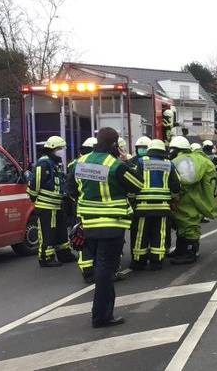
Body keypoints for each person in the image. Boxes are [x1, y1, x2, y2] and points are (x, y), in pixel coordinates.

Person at [67, 127, 144, 328]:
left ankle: (100, 313)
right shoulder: (116, 166)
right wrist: (126, 161)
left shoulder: (79, 163)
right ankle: (101, 315)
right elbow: (137, 185)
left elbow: (71, 190)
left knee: (98, 266)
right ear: (114, 145)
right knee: (105, 271)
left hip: (88, 225)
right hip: (111, 225)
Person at [129, 139, 181, 271]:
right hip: (162, 207)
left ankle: (139, 262)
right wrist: (174, 199)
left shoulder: (141, 162)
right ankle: (156, 261)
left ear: (149, 149)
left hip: (142, 207)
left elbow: (133, 182)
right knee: (160, 233)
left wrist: (132, 200)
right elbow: (176, 184)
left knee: (141, 234)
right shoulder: (168, 164)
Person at [169, 136, 217, 265]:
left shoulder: (185, 161)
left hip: (188, 198)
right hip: (191, 196)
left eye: (172, 149)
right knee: (183, 224)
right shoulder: (198, 159)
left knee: (188, 223)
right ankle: (181, 249)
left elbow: (188, 179)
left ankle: (191, 252)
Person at [28, 135, 76, 267]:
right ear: (53, 149)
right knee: (47, 232)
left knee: (60, 231)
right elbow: (35, 183)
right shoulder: (43, 163)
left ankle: (64, 254)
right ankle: (45, 257)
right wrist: (33, 197)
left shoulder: (54, 163)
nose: (62, 151)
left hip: (57, 204)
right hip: (46, 206)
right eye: (60, 148)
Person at [69, 137, 97, 282]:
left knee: (84, 239)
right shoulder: (103, 162)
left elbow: (70, 187)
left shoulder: (76, 164)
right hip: (103, 210)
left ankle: (87, 270)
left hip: (83, 209)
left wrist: (77, 200)